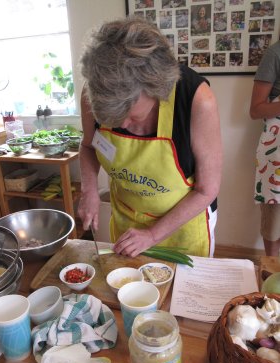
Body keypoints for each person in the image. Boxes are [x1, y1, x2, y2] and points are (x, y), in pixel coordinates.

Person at [78, 16, 222, 258]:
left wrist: (153, 235)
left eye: (132, 116)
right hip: (127, 221)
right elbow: (89, 146)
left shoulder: (197, 100)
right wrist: (89, 190)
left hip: (184, 229)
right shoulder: (95, 93)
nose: (121, 125)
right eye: (111, 118)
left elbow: (207, 190)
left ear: (156, 89)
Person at [250, 40, 280, 256]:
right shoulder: (276, 53)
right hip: (277, 154)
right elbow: (256, 109)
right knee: (274, 227)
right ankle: (273, 280)